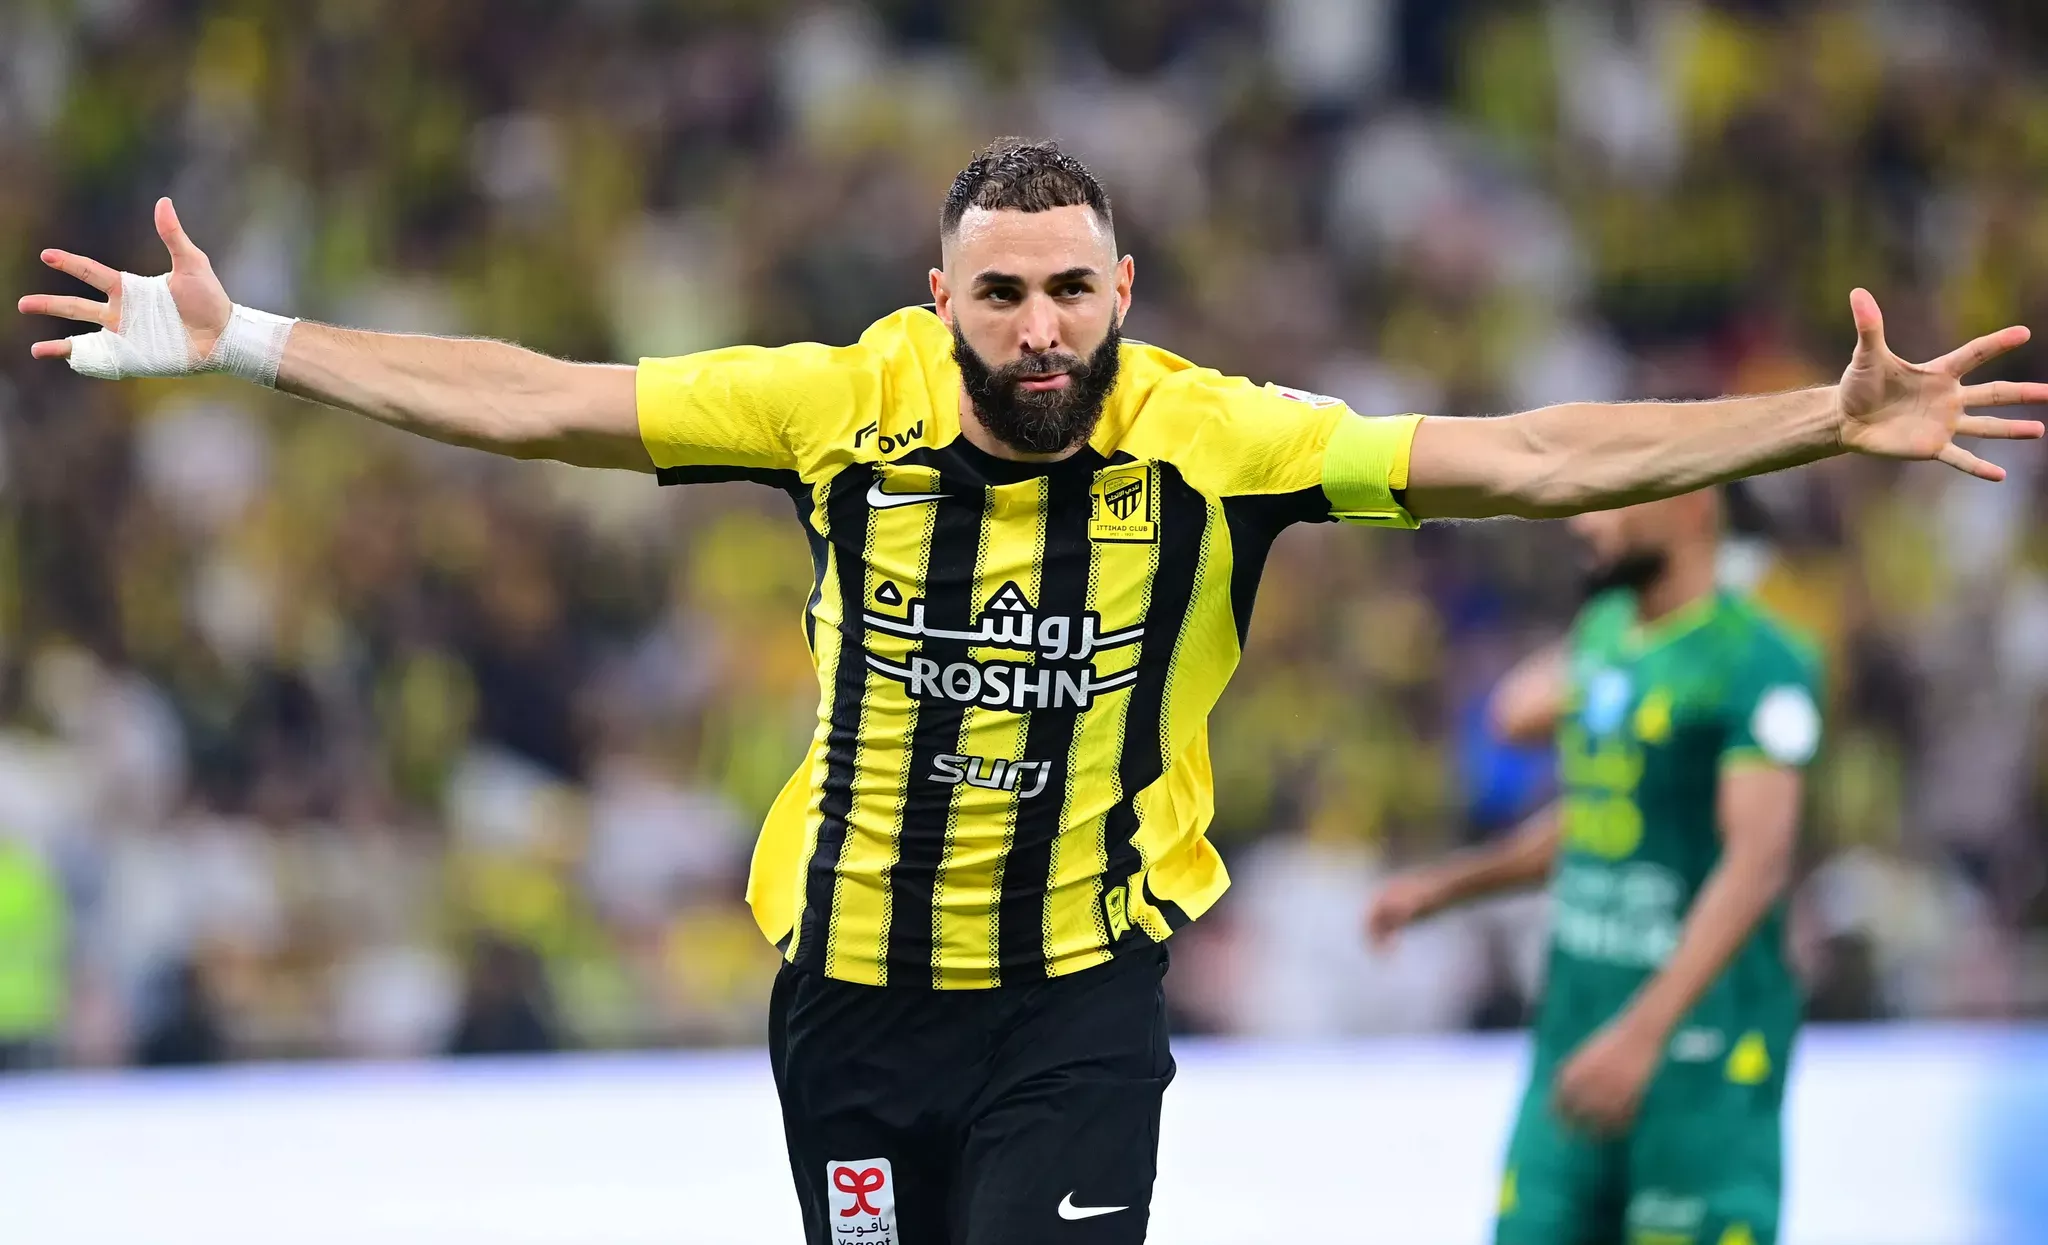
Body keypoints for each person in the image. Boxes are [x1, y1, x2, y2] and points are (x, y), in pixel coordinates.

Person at [16, 137, 2041, 1243]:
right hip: (851, 999)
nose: (1040, 323)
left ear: (1124, 292)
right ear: (941, 298)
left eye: (1074, 285)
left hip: (1075, 998)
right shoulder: (839, 409)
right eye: (1001, 289)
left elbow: (1522, 453)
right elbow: (543, 403)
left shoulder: (1215, 439)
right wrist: (254, 338)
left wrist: (1803, 424)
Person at [1368, 488, 1823, 1245]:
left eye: (1615, 498)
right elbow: (1569, 779)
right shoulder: (1609, 632)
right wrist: (1445, 887)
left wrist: (1641, 1037)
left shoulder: (1762, 661)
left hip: (1698, 1059)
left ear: (1693, 504)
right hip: (1575, 1041)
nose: (1584, 521)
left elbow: (1758, 862)